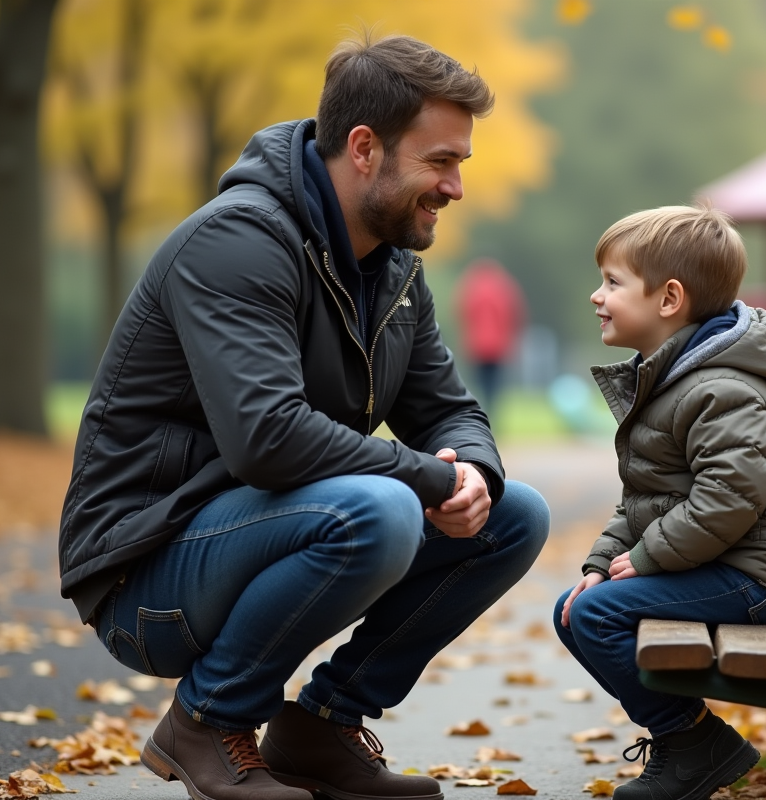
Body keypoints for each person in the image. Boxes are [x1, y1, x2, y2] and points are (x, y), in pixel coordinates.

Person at [58, 34, 550, 800]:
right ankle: (204, 720)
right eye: (441, 162)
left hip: (253, 532)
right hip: (147, 574)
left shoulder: (391, 272)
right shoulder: (237, 242)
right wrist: (425, 477)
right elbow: (267, 439)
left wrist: (473, 473)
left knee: (513, 514)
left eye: (462, 164)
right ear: (363, 148)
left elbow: (450, 409)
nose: (455, 187)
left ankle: (322, 727)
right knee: (382, 509)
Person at [554, 206, 766, 800]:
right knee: (576, 608)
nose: (596, 295)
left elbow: (729, 500)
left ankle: (693, 743)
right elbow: (646, 499)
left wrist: (648, 558)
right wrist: (603, 561)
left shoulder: (719, 389)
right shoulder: (674, 378)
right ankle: (694, 740)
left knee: (597, 616)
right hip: (724, 564)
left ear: (669, 299)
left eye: (612, 281)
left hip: (757, 577)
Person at [455, 258, 526, 415]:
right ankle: (492, 413)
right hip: (498, 346)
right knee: (495, 386)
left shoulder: (471, 287)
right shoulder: (504, 287)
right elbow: (513, 314)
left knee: (481, 383)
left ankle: (482, 411)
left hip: (477, 346)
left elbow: (462, 314)